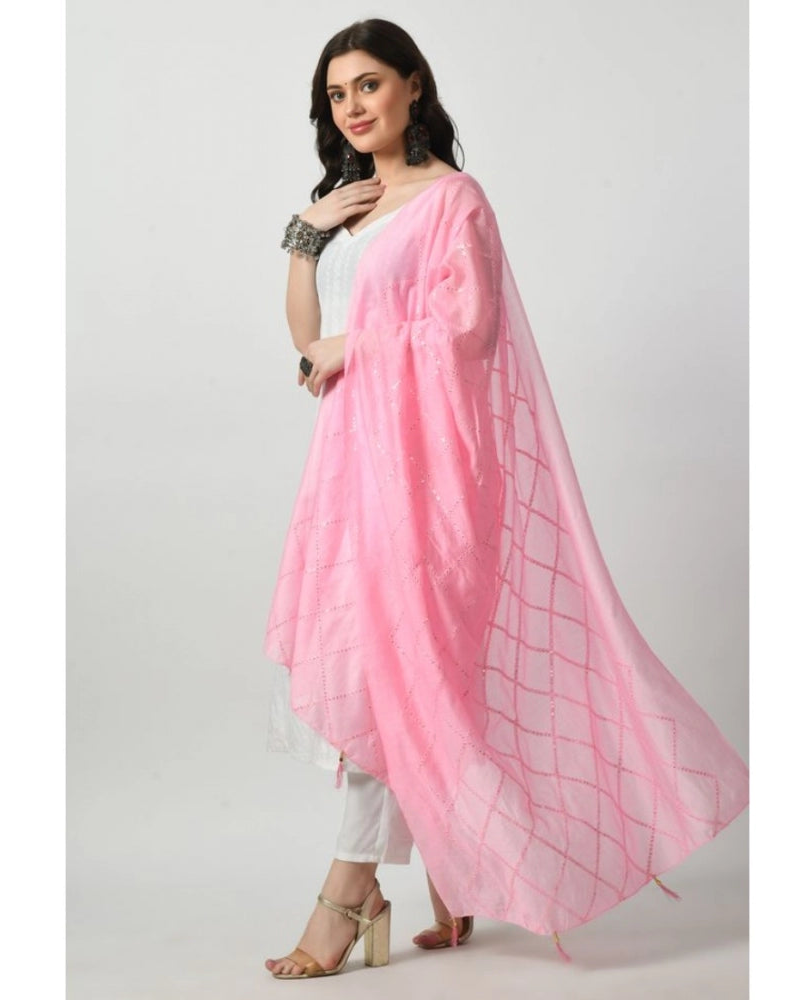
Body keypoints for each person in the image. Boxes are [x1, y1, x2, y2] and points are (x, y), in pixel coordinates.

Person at [264, 18, 749, 980]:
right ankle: (455, 873)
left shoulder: (455, 201)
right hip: (352, 470)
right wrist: (305, 239)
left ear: (412, 84)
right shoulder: (347, 205)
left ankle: (350, 892)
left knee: (403, 673)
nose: (352, 107)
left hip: (430, 478)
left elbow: (469, 329)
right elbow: (307, 342)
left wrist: (357, 347)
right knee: (383, 673)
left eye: (368, 85)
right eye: (336, 95)